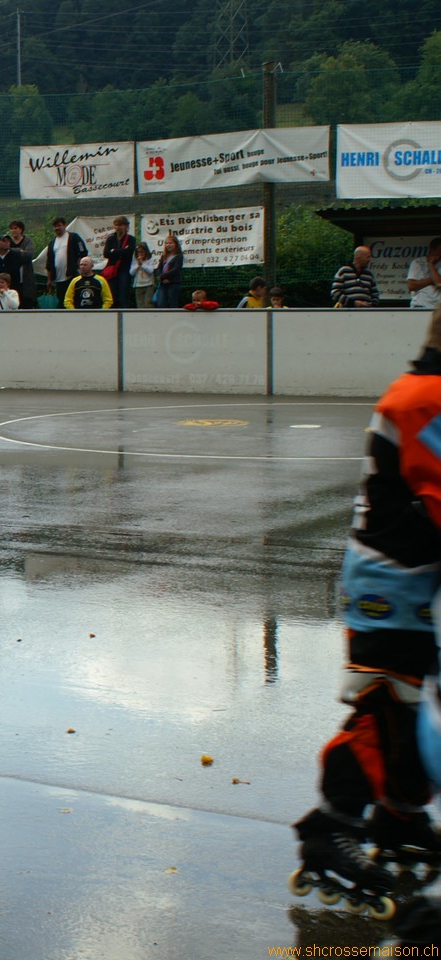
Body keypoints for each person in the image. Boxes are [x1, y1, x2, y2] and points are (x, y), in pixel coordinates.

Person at [290, 305, 441, 923]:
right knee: (387, 707)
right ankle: (332, 828)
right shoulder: (425, 398)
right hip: (390, 583)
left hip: (412, 578)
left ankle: (399, 815)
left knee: (416, 709)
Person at [44, 216, 88, 296]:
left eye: (59, 225)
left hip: (72, 276)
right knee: (62, 299)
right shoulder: (52, 243)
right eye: (55, 226)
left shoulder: (74, 237)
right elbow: (49, 263)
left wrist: (79, 266)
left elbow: (83, 252)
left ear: (64, 225)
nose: (57, 228)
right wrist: (49, 280)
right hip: (58, 279)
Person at [102, 217, 136, 308]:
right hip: (112, 270)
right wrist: (121, 251)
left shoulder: (131, 239)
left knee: (123, 296)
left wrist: (114, 251)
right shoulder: (111, 239)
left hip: (124, 270)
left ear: (126, 226)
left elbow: (129, 252)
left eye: (120, 225)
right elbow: (106, 253)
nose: (118, 227)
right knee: (112, 295)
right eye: (116, 225)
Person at [0, 235, 31, 312]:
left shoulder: (15, 254)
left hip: (13, 288)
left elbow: (11, 269)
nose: (6, 243)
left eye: (8, 241)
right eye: (3, 241)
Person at [408, 238, 441, 311]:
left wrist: (431, 265)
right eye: (439, 252)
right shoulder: (417, 262)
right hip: (420, 306)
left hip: (437, 307)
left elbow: (439, 283)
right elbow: (411, 286)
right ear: (431, 250)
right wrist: (432, 279)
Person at [155, 234, 185, 309]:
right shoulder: (164, 256)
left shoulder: (179, 256)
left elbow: (176, 269)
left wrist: (163, 276)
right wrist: (161, 277)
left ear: (176, 244)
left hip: (173, 283)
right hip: (163, 283)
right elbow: (158, 268)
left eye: (170, 243)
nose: (168, 245)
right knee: (161, 304)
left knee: (172, 304)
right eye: (166, 243)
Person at [131, 242, 157, 307]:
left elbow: (151, 270)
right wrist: (137, 265)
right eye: (138, 252)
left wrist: (142, 264)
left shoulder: (149, 260)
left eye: (142, 252)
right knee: (140, 304)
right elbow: (131, 272)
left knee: (148, 303)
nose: (140, 254)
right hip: (138, 285)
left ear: (146, 252)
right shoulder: (135, 261)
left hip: (148, 285)